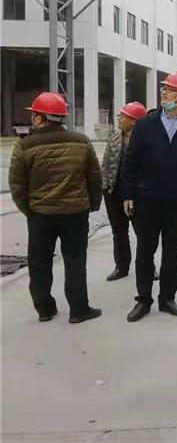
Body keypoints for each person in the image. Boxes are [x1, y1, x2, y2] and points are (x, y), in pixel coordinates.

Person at [121, 71, 177, 322]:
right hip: (146, 200)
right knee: (145, 251)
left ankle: (167, 298)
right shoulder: (145, 124)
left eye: (169, 89)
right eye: (163, 88)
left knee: (172, 253)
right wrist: (127, 193)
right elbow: (130, 162)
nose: (163, 92)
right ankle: (143, 300)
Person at [8, 92, 103, 323]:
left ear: (40, 118)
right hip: (75, 214)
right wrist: (92, 205)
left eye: (34, 114)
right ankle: (79, 310)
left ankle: (45, 310)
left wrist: (29, 210)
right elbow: (94, 178)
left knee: (39, 263)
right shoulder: (82, 142)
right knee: (75, 261)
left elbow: (17, 185)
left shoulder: (24, 146)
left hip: (40, 215)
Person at [101, 102, 146, 281]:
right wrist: (105, 186)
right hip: (114, 191)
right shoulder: (115, 137)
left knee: (143, 233)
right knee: (119, 231)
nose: (119, 118)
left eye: (123, 116)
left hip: (138, 195)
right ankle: (121, 266)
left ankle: (147, 266)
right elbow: (106, 163)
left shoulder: (146, 141)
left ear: (134, 121)